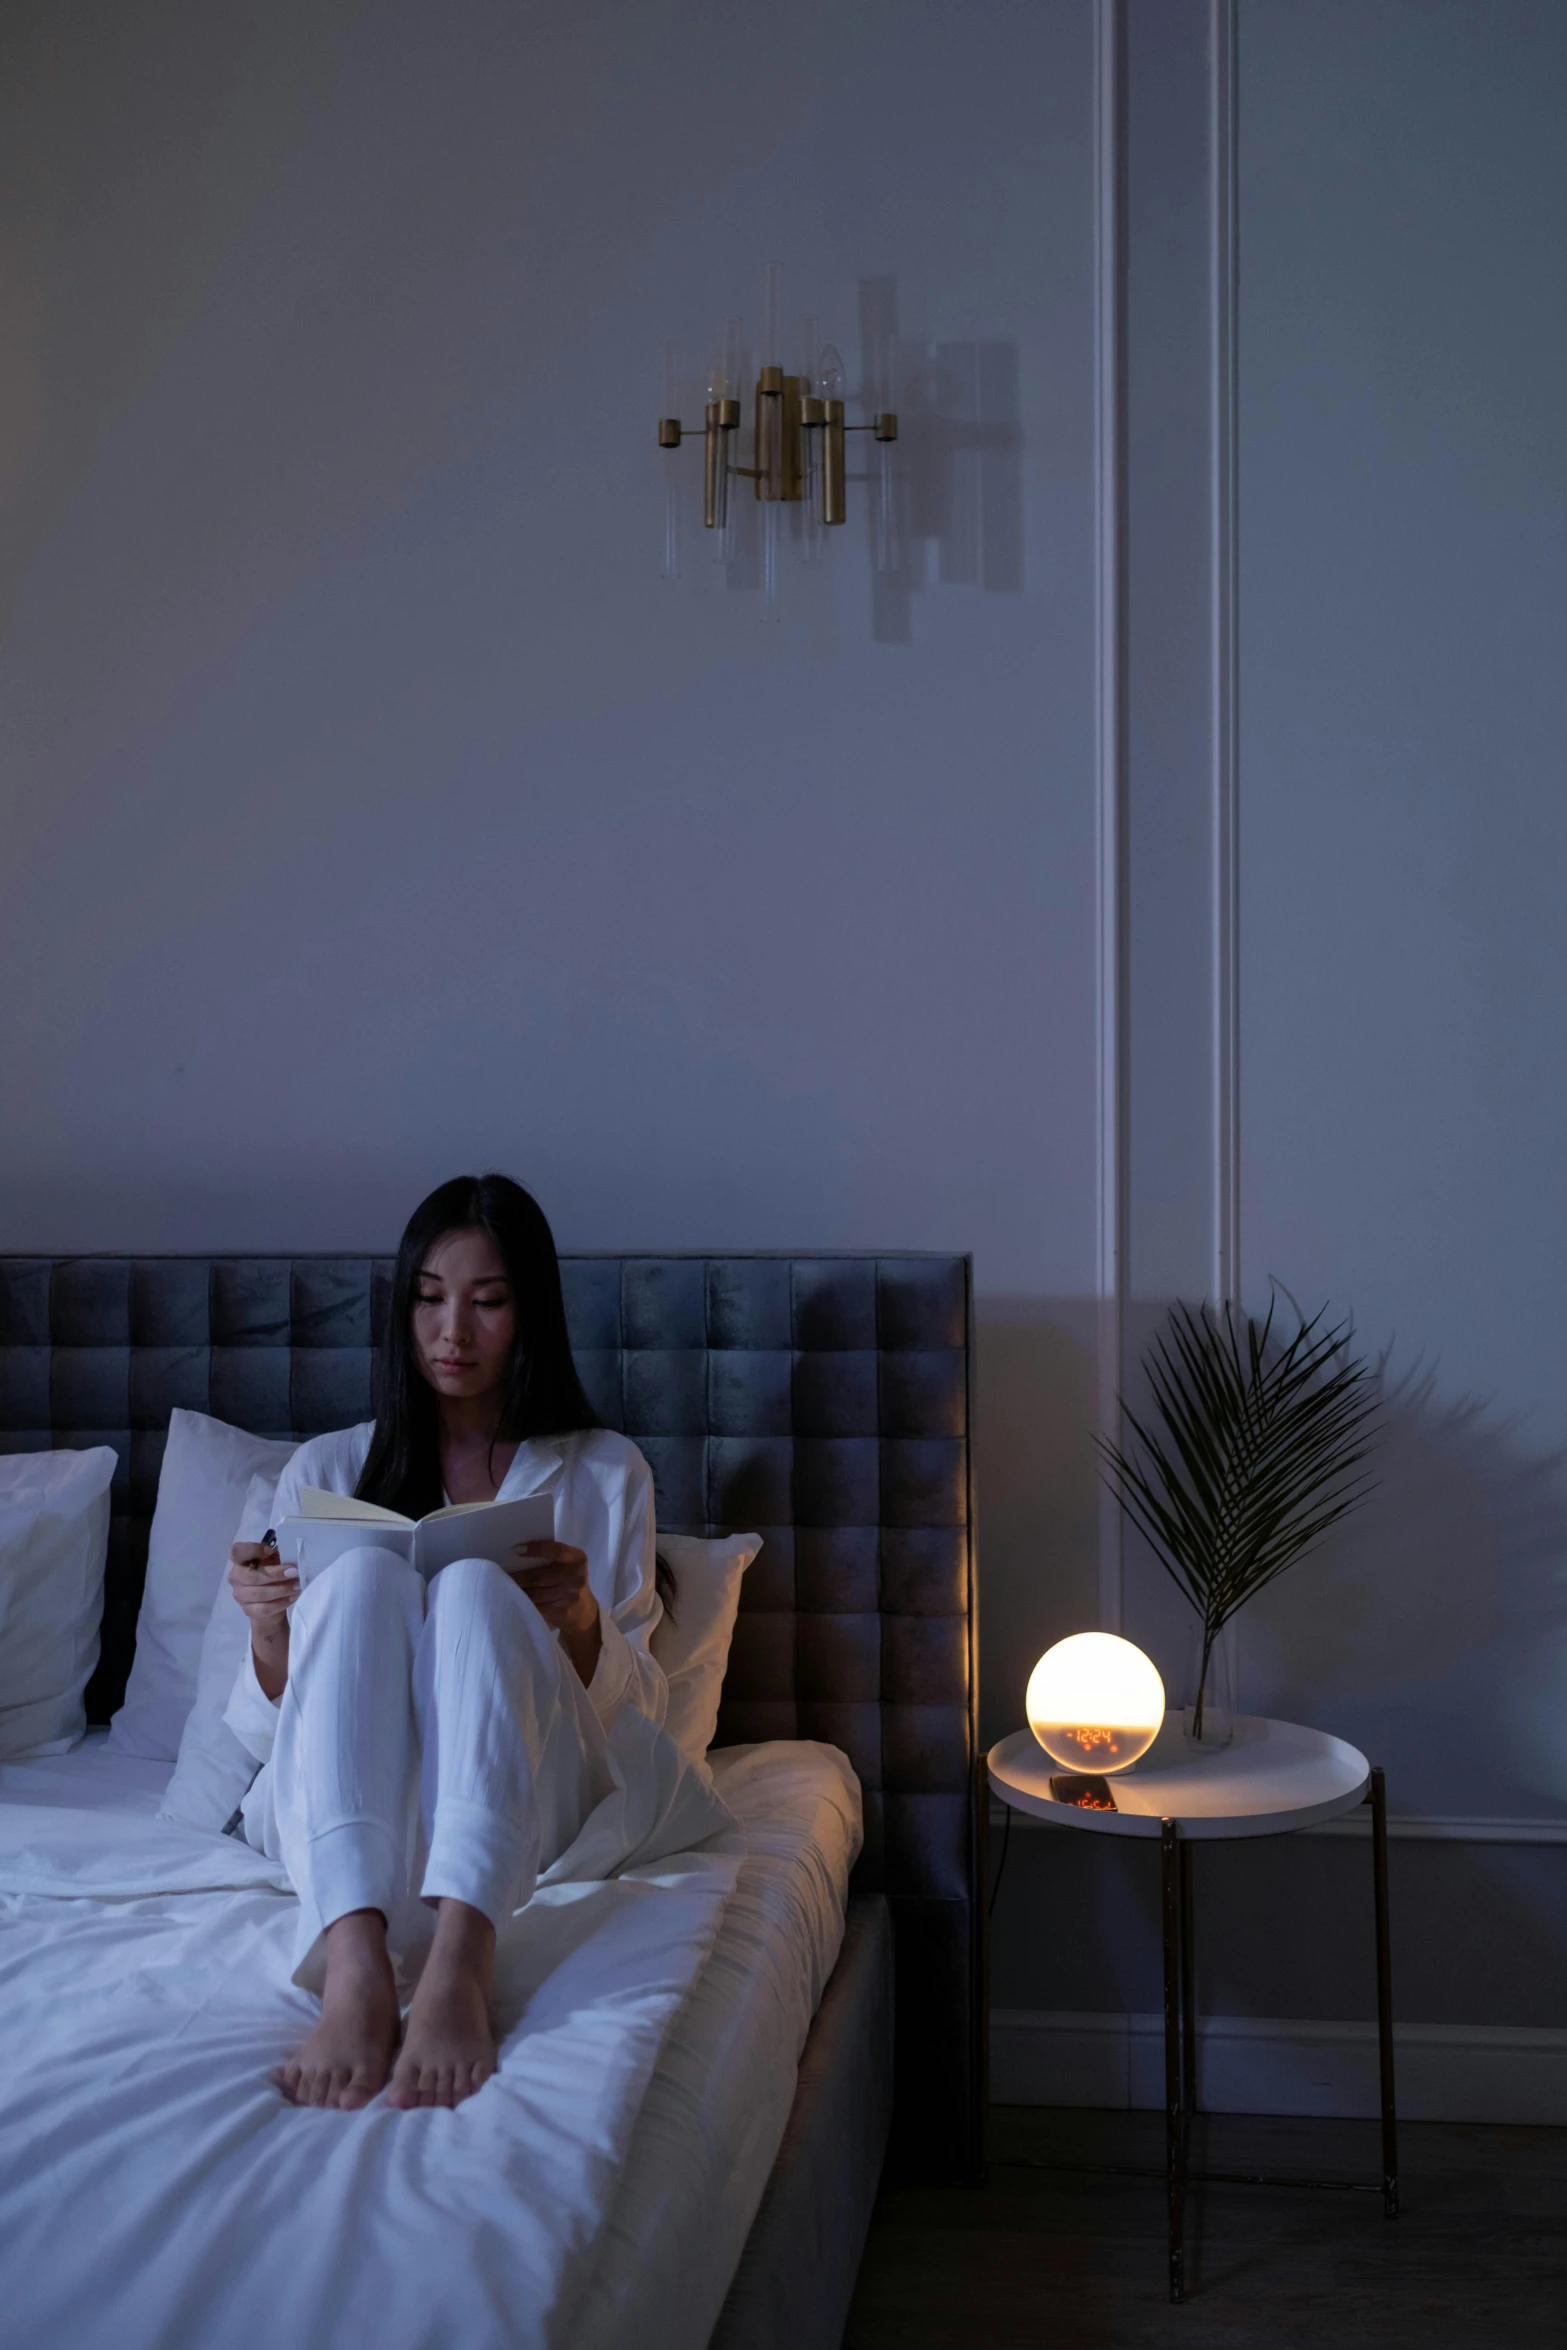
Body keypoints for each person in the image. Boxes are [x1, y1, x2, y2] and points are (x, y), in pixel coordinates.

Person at [224, 1173, 669, 2116]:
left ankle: (462, 1955)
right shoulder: (326, 1469)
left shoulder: (605, 1471)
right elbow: (273, 1731)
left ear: (532, 1311)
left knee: (472, 1584)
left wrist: (580, 1620)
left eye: (488, 1302)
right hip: (348, 1799)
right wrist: (269, 1626)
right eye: (428, 1299)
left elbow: (643, 1724)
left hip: (526, 1790)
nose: (452, 1333)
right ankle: (355, 1963)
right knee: (368, 1575)